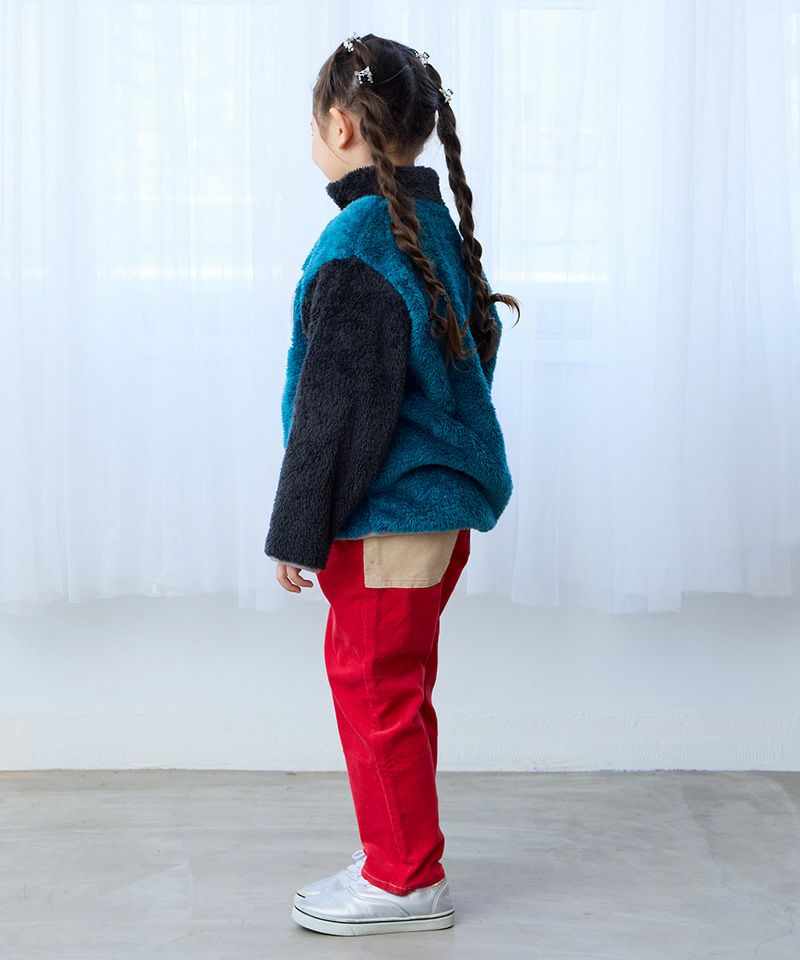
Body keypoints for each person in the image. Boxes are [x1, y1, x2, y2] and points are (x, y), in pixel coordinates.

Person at [264, 31, 519, 937]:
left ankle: (406, 879)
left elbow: (336, 408)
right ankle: (396, 854)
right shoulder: (425, 222)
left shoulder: (360, 242)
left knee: (375, 693)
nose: (312, 134)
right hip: (432, 514)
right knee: (394, 691)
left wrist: (298, 531)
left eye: (313, 121)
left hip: (389, 516)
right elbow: (468, 352)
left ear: (340, 124)